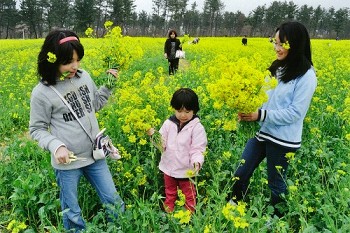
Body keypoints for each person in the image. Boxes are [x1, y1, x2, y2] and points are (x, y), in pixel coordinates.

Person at [29, 29, 125, 232]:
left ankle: (121, 228)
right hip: (68, 162)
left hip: (95, 155)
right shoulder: (42, 92)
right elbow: (36, 129)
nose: (75, 66)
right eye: (68, 62)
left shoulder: (83, 77)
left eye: (77, 60)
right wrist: (57, 146)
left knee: (113, 200)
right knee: (71, 210)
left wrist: (108, 85)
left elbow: (95, 105)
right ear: (52, 60)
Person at [229, 22, 317, 217]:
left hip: (283, 138)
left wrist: (260, 115)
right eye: (275, 43)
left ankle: (277, 221)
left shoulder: (307, 75)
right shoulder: (277, 67)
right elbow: (264, 97)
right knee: (240, 173)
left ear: (295, 44)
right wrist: (247, 107)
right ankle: (233, 208)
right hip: (261, 131)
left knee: (276, 183)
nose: (277, 48)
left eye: (282, 44)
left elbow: (296, 113)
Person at [147, 88, 207, 213]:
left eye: (187, 111)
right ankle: (169, 214)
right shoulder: (169, 124)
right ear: (174, 108)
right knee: (170, 193)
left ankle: (190, 216)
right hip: (169, 168)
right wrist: (153, 135)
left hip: (187, 171)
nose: (183, 115)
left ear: (194, 110)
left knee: (189, 195)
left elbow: (198, 148)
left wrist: (197, 162)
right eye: (179, 111)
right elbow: (161, 144)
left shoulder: (197, 127)